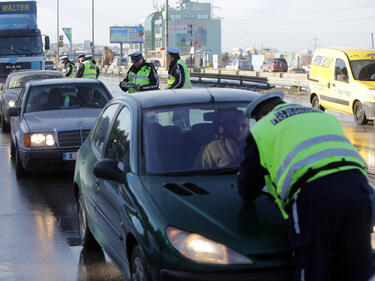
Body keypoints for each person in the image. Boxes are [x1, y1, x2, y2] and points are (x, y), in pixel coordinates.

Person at [237, 91, 374, 281]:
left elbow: (249, 180)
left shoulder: (264, 129)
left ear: (260, 116)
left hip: (315, 193)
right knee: (357, 262)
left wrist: (247, 201)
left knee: (312, 263)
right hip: (357, 186)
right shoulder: (320, 116)